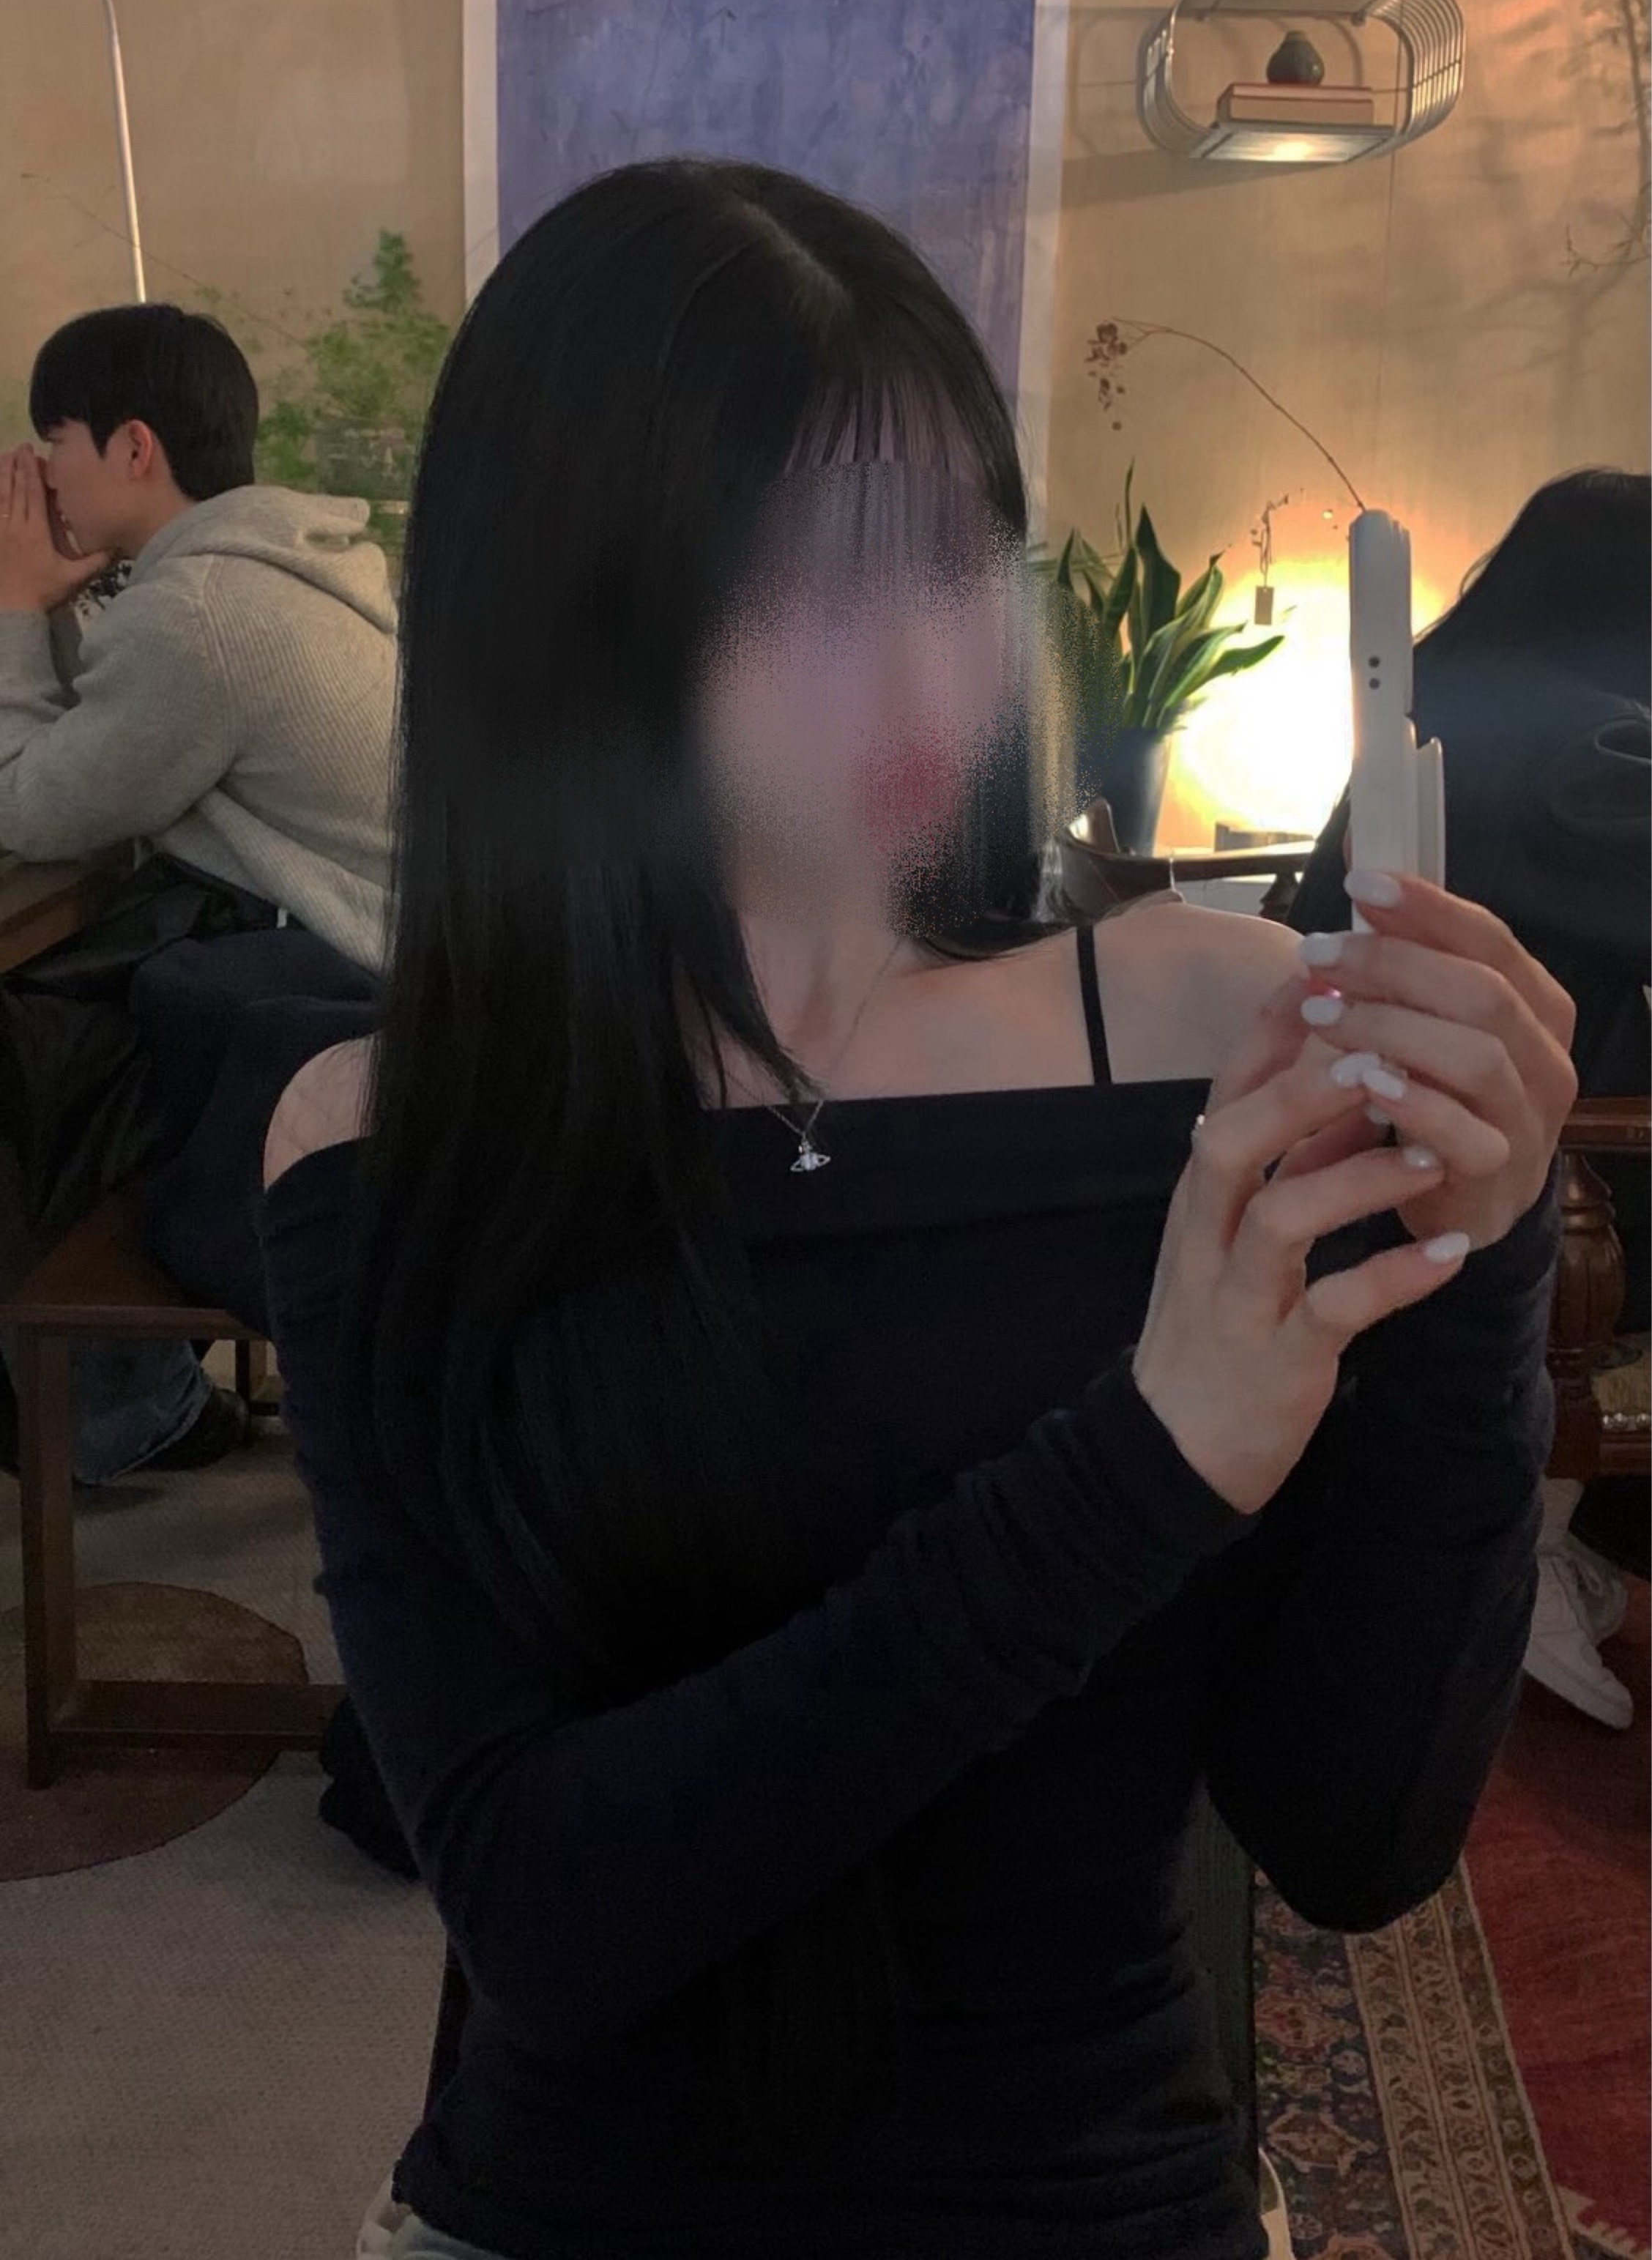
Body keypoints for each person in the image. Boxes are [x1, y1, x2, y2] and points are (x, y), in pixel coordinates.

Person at [260, 160, 1573, 2260]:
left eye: (953, 559)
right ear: (573, 617)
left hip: (1099, 2200)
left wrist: (1482, 1262)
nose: (916, 673)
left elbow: (1355, 1838)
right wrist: (1147, 1461)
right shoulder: (389, 1142)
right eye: (799, 582)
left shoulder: (1212, 1036)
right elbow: (547, 1916)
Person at [0, 300, 396, 1482]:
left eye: (52, 444)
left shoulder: (202, 612)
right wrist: (53, 605)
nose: (39, 478)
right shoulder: (283, 566)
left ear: (133, 448)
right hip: (378, 978)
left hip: (329, 1014)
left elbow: (30, 804)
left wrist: (15, 607)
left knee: (33, 1059)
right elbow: (109, 735)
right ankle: (124, 1398)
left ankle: (122, 1409)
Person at [1290, 468, 1650, 1731]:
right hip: (1483, 1191)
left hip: (1358, 1133)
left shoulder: (1453, 705)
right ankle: (1544, 1526)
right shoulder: (1586, 749)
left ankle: (1560, 1524)